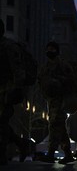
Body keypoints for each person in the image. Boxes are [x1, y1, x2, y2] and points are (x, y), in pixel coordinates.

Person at [37, 41, 75, 164]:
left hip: (61, 100)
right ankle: (68, 154)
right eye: (48, 48)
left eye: (52, 49)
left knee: (54, 124)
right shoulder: (45, 66)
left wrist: (57, 81)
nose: (50, 51)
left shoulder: (63, 65)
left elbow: (71, 80)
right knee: (60, 127)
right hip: (50, 100)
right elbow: (41, 80)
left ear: (57, 51)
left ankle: (51, 153)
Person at [0, 19, 31, 165]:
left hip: (7, 91)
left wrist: (16, 89)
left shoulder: (8, 46)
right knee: (2, 122)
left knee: (1, 121)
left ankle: (1, 153)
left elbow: (18, 70)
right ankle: (21, 143)